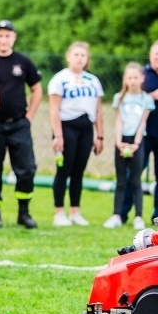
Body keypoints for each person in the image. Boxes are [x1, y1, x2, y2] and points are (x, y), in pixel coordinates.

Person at [0, 20, 43, 229]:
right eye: (0, 35)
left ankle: (24, 213)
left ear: (14, 38)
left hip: (19, 125)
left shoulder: (23, 62)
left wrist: (30, 116)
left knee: (26, 169)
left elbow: (37, 89)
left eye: (8, 35)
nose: (4, 39)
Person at [119, 40, 158, 225]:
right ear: (150, 55)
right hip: (142, 136)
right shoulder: (141, 76)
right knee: (134, 174)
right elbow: (126, 98)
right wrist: (150, 96)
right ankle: (122, 214)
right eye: (156, 53)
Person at [48, 41, 105, 226]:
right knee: (64, 170)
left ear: (87, 59)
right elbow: (54, 110)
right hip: (66, 128)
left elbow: (98, 111)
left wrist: (100, 136)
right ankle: (59, 212)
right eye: (76, 55)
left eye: (83, 55)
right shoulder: (60, 79)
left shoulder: (93, 80)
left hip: (85, 128)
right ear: (68, 57)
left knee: (78, 172)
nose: (79, 58)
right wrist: (58, 136)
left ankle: (75, 211)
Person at [103, 63, 155, 229]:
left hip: (137, 141)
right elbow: (118, 120)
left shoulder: (146, 99)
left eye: (135, 77)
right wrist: (118, 142)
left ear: (141, 78)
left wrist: (136, 144)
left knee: (135, 180)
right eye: (129, 78)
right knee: (121, 180)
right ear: (125, 80)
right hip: (121, 140)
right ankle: (116, 215)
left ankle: (138, 216)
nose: (132, 81)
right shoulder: (119, 98)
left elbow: (143, 122)